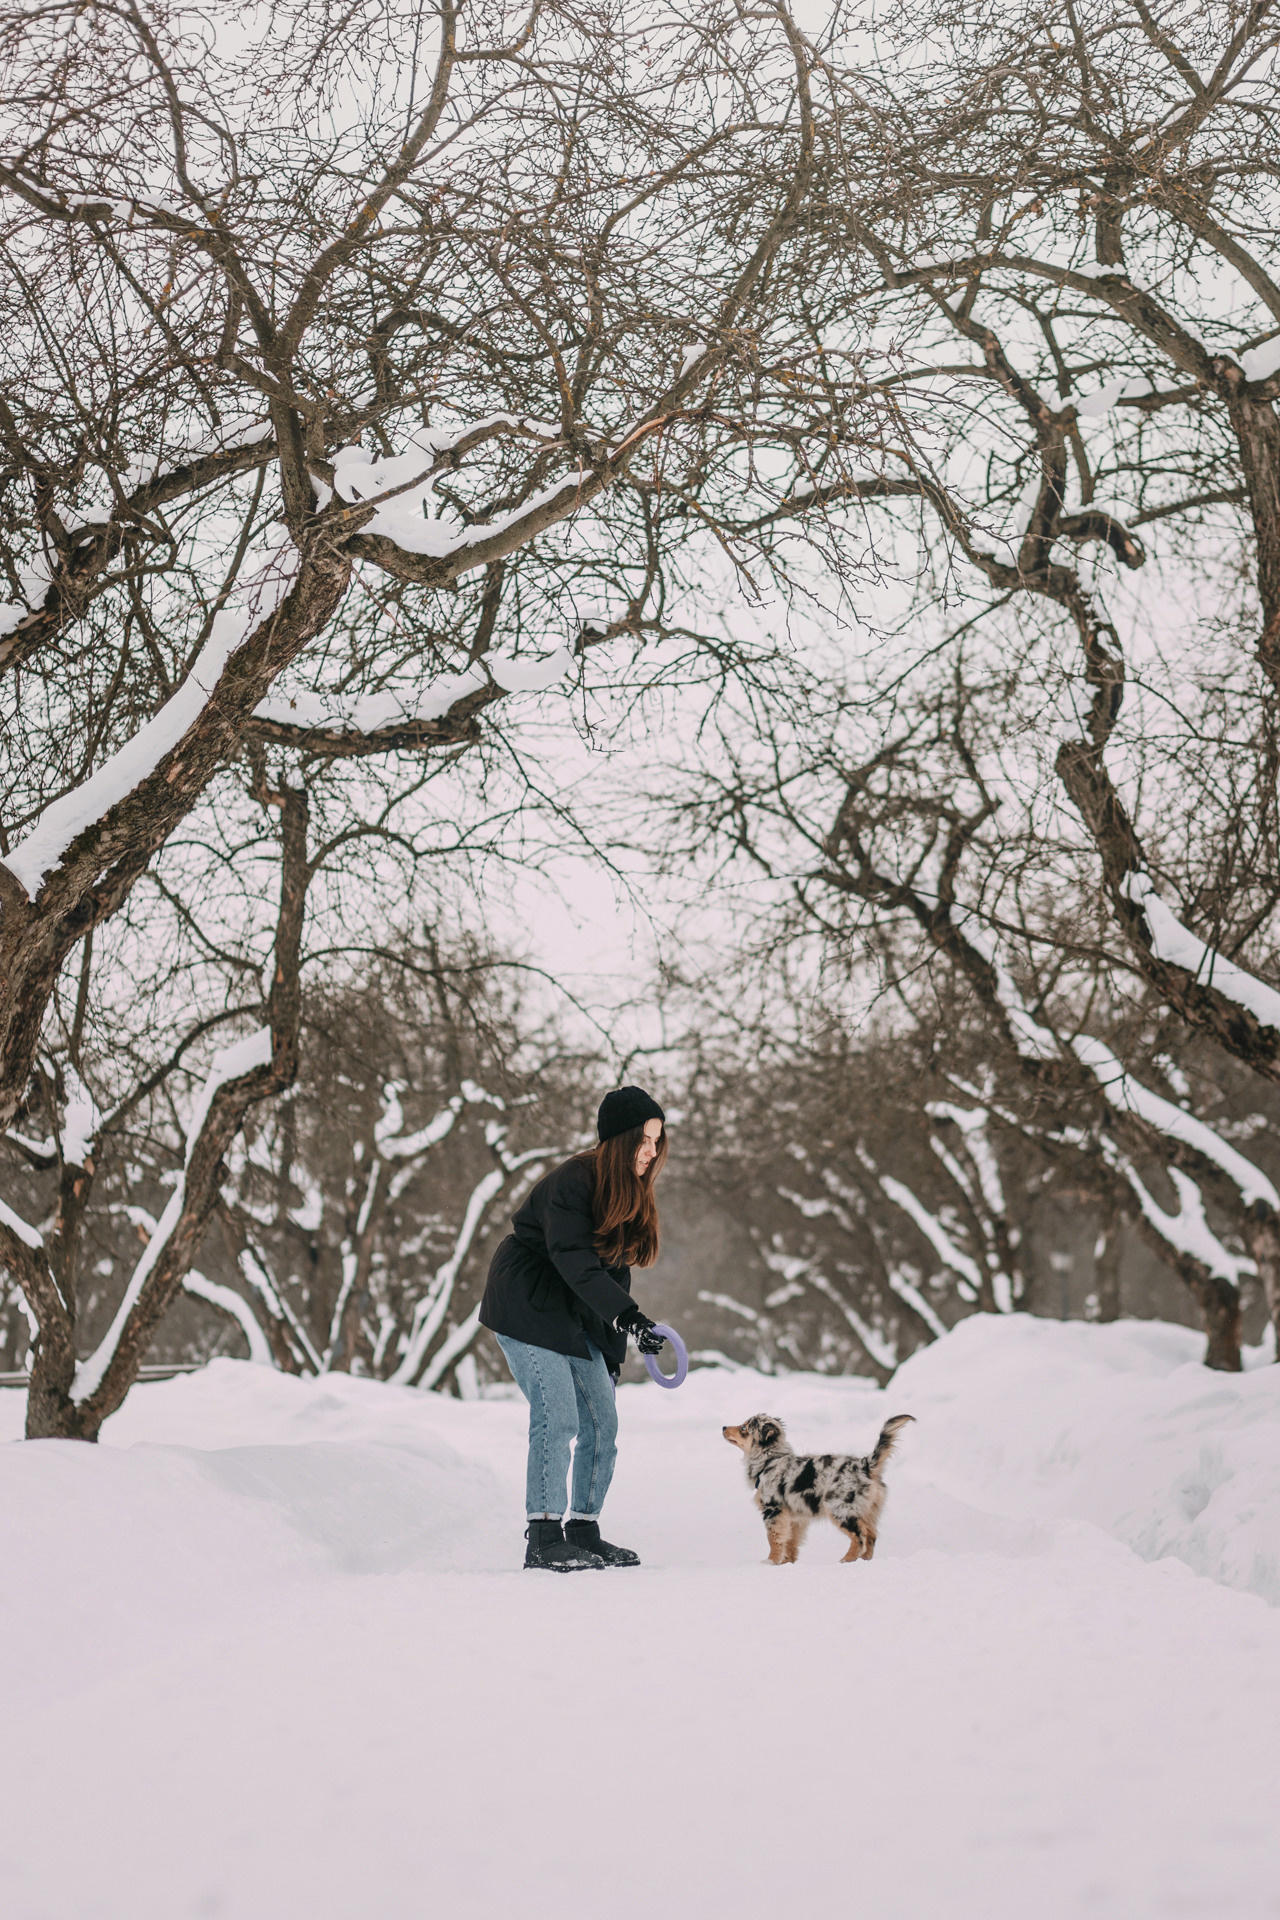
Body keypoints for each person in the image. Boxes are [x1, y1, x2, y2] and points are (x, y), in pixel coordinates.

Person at [479, 1085, 669, 1571]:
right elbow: (575, 1263)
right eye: (644, 1140)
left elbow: (612, 1274)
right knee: (558, 1413)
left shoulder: (629, 1188)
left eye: (657, 1140)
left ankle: (583, 1529)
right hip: (527, 1301)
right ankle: (543, 1536)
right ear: (619, 1139)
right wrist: (630, 1318)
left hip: (575, 1309)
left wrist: (612, 1352)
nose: (652, 1151)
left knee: (602, 1419)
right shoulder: (572, 1182)